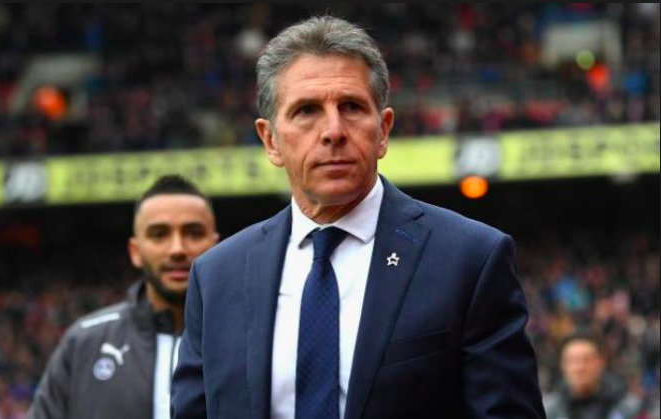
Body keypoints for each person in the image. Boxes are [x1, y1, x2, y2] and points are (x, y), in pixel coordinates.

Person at [172, 16, 545, 419]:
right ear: (270, 140)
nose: (333, 131)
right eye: (306, 110)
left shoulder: (470, 259)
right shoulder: (217, 276)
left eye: (351, 107)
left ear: (383, 130)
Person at [28, 175, 219, 419]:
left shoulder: (245, 336)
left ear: (216, 245)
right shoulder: (83, 343)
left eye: (193, 233)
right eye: (159, 234)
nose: (177, 249)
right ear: (135, 251)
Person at [545, 334, 644, 419]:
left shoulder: (628, 408)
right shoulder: (548, 410)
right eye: (573, 360)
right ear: (562, 365)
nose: (580, 367)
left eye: (587, 360)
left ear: (602, 361)